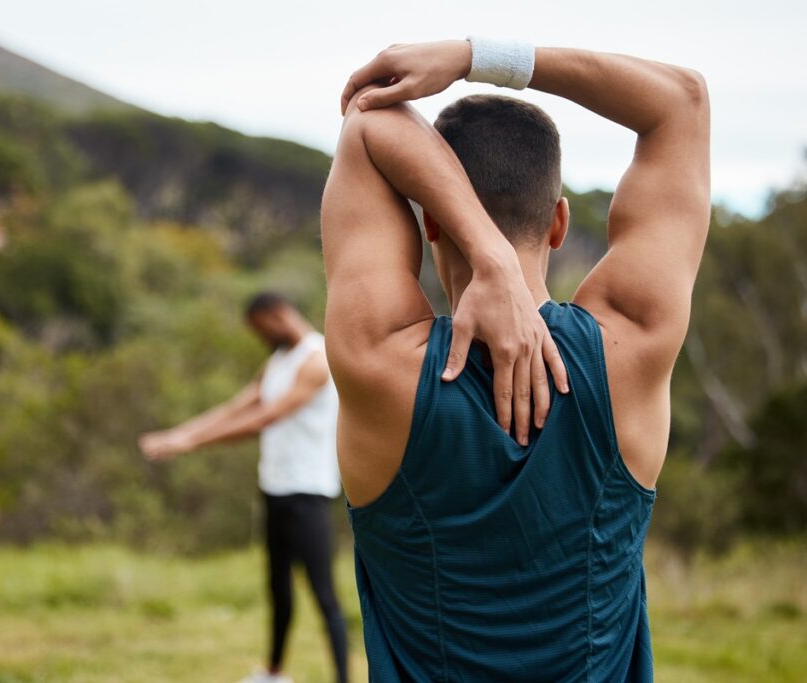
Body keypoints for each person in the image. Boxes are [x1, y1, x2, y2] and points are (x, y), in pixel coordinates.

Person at [322, 38, 709, 681]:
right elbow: (682, 103)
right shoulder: (633, 343)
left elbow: (367, 120)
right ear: (559, 223)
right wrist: (478, 57)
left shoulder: (379, 361)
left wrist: (486, 250)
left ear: (432, 224)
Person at [139, 292, 348, 683]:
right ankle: (273, 673)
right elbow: (239, 406)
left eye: (259, 328)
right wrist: (179, 434)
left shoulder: (317, 359)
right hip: (275, 488)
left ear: (276, 315)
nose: (259, 337)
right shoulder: (278, 360)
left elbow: (263, 418)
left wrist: (192, 443)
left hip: (309, 492)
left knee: (324, 595)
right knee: (278, 589)